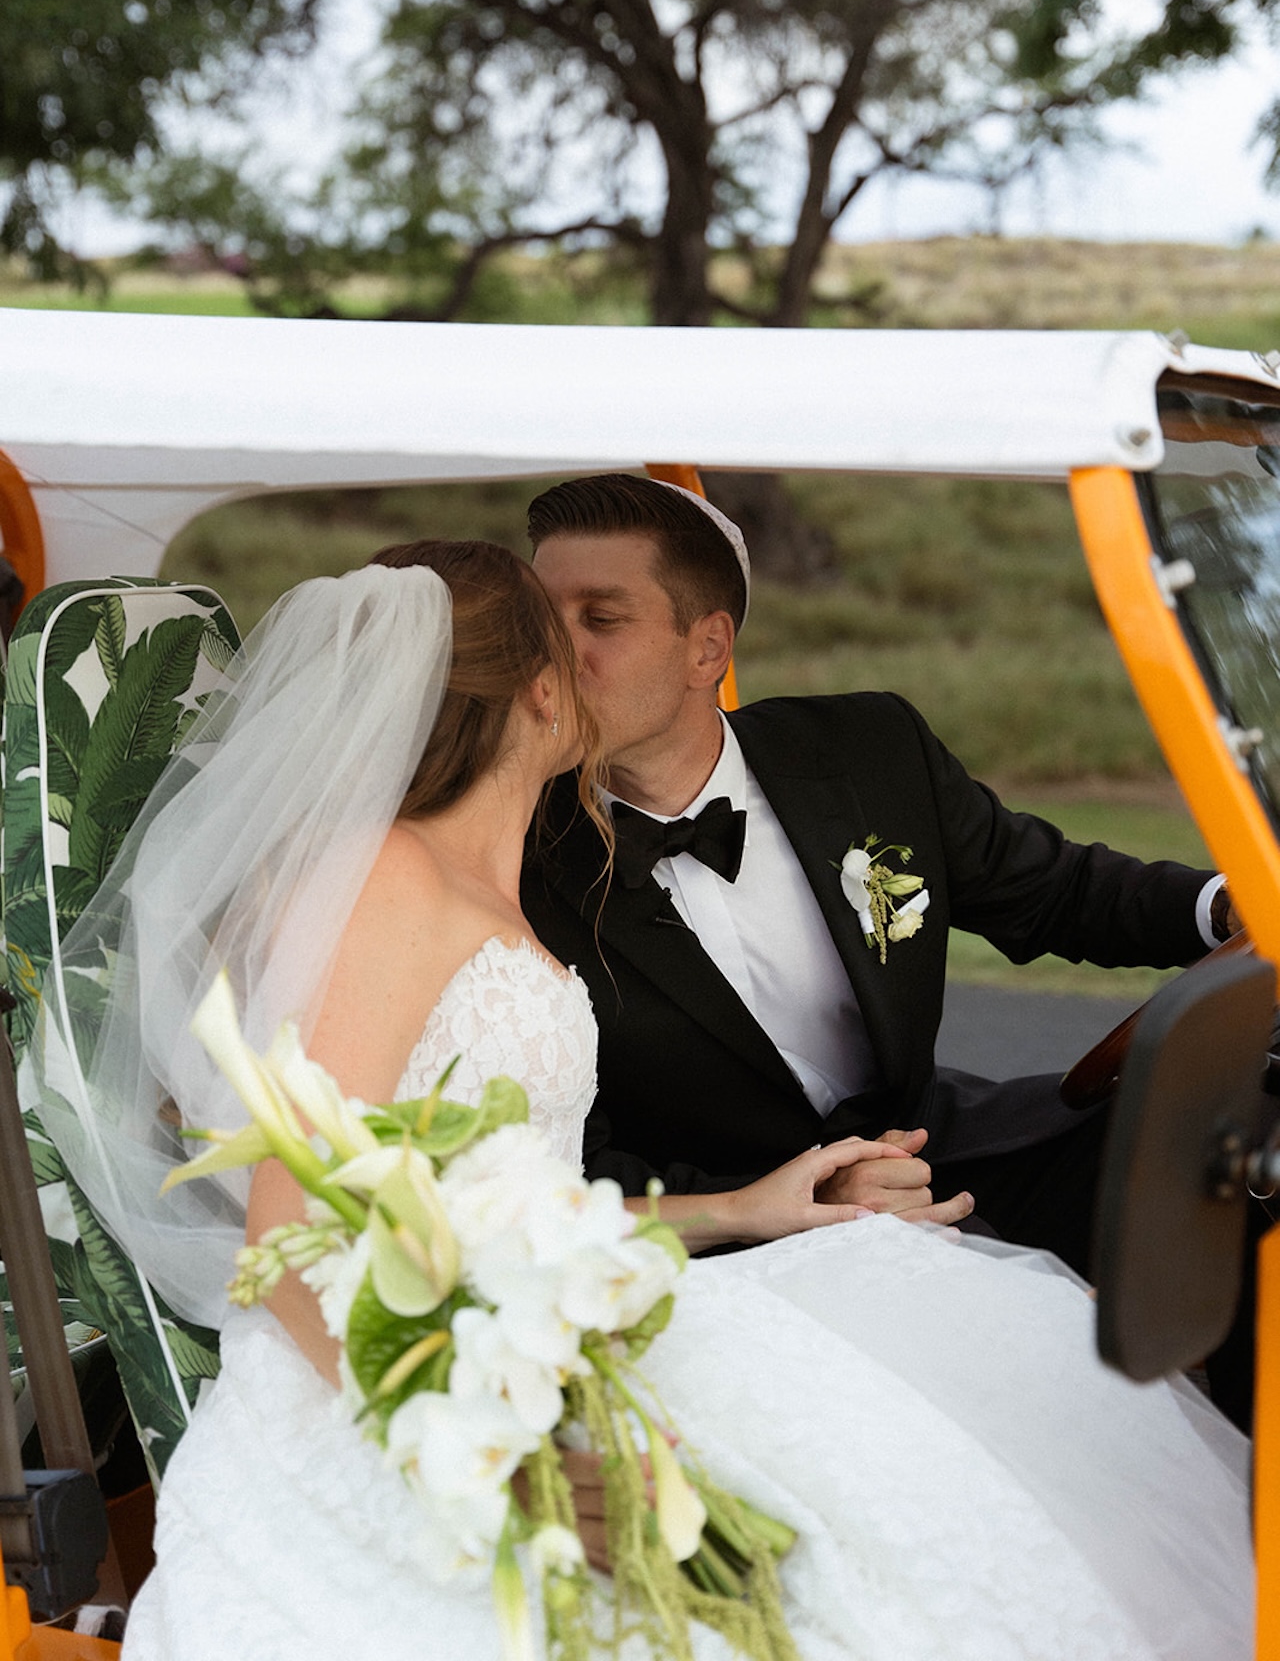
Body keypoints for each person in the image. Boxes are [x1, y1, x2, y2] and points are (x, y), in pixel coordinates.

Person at [34, 548, 1252, 1660]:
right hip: (404, 1393)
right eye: (570, 644)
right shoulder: (387, 889)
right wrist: (515, 1465)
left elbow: (516, 1207)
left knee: (980, 1449)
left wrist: (748, 1207)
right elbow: (293, 1240)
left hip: (536, 1325)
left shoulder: (490, 883)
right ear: (544, 698)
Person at [519, 473, 1256, 1417]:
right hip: (744, 1235)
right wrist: (796, 1202)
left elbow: (1054, 890)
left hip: (946, 1142)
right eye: (545, 618)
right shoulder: (517, 857)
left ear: (708, 645)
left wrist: (1234, 905)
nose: (557, 652)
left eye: (601, 618)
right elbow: (573, 1158)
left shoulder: (865, 748)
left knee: (1240, 1155)